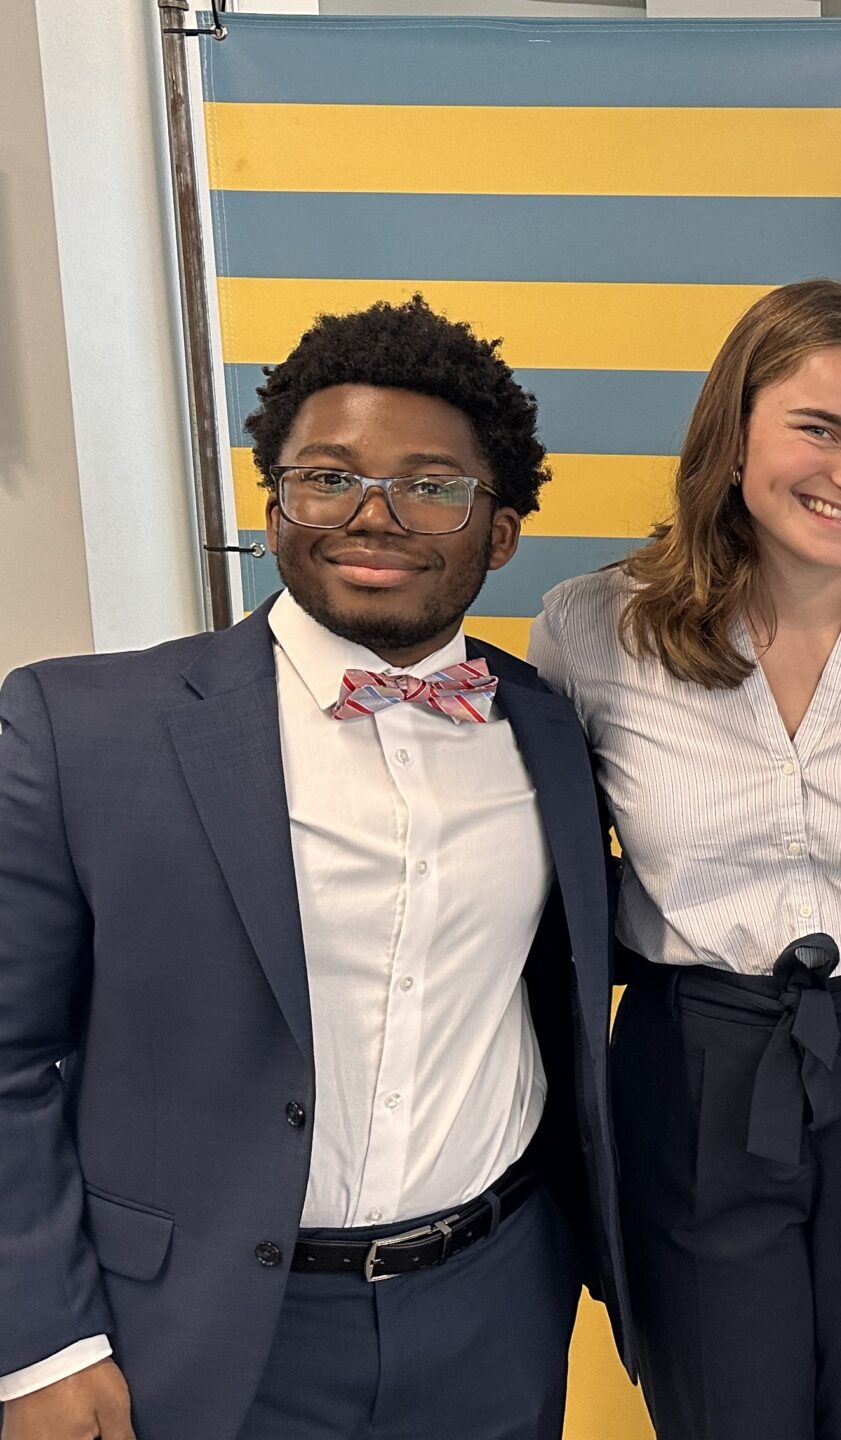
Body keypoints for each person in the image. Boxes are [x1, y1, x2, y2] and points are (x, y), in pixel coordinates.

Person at [0, 297, 624, 1440]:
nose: (374, 518)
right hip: (196, 1335)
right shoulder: (84, 729)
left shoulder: (547, 730)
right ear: (273, 501)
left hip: (496, 1308)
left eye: (432, 486)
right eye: (329, 477)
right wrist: (41, 1341)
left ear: (500, 531)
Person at [527, 281, 841, 1440]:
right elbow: (550, 890)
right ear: (734, 433)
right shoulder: (592, 629)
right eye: (819, 430)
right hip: (693, 1063)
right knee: (725, 1413)